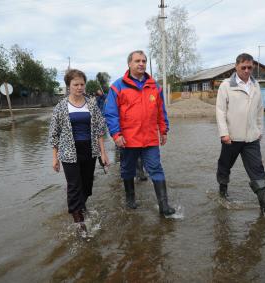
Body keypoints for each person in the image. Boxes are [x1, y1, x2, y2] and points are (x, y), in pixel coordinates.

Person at [104, 50, 175, 216]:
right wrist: (116, 134)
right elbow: (111, 113)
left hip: (150, 138)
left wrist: (163, 131)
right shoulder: (117, 86)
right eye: (137, 61)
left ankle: (164, 206)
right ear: (129, 64)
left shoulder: (155, 87)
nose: (141, 64)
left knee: (156, 168)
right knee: (127, 169)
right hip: (128, 140)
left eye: (144, 61)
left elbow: (160, 111)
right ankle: (130, 198)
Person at [215, 53, 265, 213]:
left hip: (251, 138)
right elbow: (220, 111)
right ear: (236, 67)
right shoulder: (226, 85)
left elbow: (260, 110)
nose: (247, 71)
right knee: (225, 166)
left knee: (257, 168)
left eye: (249, 67)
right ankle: (222, 191)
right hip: (231, 137)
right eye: (243, 67)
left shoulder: (255, 85)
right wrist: (224, 133)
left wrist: (259, 130)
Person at [49, 69, 110, 228]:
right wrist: (55, 158)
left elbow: (99, 129)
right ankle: (79, 223)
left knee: (87, 184)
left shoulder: (91, 103)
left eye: (82, 84)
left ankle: (81, 205)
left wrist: (103, 154)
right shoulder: (61, 107)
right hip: (69, 152)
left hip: (89, 150)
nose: (79, 87)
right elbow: (54, 134)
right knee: (74, 185)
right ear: (69, 86)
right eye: (75, 84)